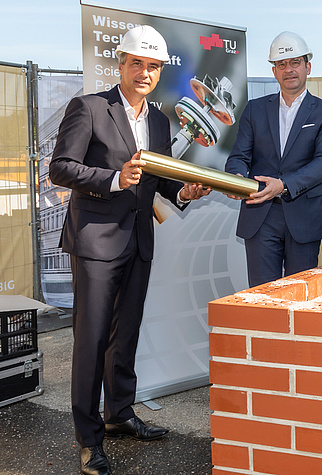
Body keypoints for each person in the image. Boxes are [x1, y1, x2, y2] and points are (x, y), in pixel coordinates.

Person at [49, 25, 210, 475]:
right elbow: (60, 169)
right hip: (96, 242)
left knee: (126, 336)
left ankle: (118, 414)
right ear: (120, 64)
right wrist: (113, 179)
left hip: (139, 241)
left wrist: (186, 192)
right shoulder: (90, 107)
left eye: (153, 66)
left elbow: (160, 181)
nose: (144, 72)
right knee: (91, 340)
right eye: (136, 63)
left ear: (159, 73)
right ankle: (89, 439)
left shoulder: (158, 120)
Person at [224, 31, 322, 287]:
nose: (289, 69)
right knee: (263, 297)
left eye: (295, 62)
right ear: (274, 71)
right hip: (260, 216)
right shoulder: (254, 109)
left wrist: (284, 184)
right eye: (281, 64)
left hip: (304, 216)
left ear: (307, 67)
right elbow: (239, 156)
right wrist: (235, 178)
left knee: (301, 296)